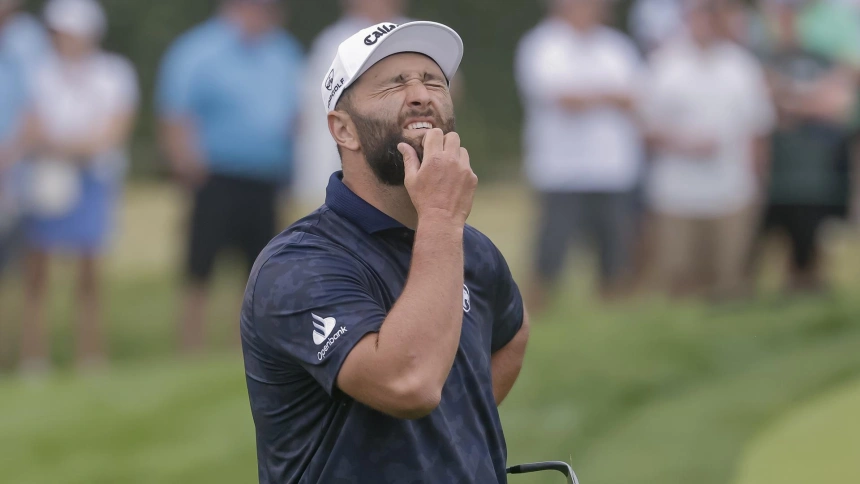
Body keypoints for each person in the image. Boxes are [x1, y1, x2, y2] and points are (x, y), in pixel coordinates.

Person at [241, 21, 530, 483]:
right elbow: (408, 383)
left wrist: (451, 433)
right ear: (344, 130)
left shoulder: (469, 247)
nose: (420, 96)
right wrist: (440, 217)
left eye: (433, 81)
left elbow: (512, 334)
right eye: (394, 84)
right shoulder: (297, 265)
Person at [156, 0, 304, 354]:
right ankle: (191, 346)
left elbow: (297, 113)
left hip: (266, 176)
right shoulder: (199, 49)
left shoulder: (284, 51)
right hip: (214, 175)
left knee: (259, 268)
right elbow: (175, 111)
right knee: (200, 265)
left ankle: (244, 346)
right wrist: (185, 165)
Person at [18, 0, 138, 372]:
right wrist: (72, 146)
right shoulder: (38, 71)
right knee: (37, 272)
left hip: (93, 179)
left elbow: (113, 132)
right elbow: (31, 127)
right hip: (47, 177)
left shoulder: (113, 73)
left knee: (89, 273)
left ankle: (90, 355)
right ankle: (33, 358)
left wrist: (63, 145)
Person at [640, 0, 775, 299]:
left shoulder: (742, 67)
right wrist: (683, 143)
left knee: (729, 279)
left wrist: (758, 182)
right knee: (679, 279)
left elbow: (758, 129)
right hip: (676, 195)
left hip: (731, 192)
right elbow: (644, 127)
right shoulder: (663, 65)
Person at [515, 0, 645, 311]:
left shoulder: (617, 46)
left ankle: (612, 313)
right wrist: (610, 95)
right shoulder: (542, 44)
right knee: (551, 250)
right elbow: (563, 98)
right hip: (560, 169)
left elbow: (636, 98)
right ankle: (535, 312)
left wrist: (590, 95)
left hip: (613, 168)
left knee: (614, 251)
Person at [752, 0, 857, 293]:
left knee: (813, 241)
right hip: (772, 171)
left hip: (816, 171)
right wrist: (805, 102)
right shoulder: (760, 57)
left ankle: (810, 291)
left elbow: (839, 105)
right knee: (770, 244)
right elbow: (757, 98)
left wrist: (789, 103)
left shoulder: (822, 56)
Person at [294, 0, 410, 207]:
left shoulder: (413, 32)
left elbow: (448, 85)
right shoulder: (333, 41)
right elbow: (310, 100)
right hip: (334, 141)